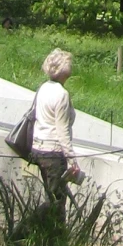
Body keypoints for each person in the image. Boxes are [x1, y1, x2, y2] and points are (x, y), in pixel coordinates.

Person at [30, 48, 83, 220]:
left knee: (53, 198)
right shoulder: (62, 94)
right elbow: (62, 130)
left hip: (38, 149)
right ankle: (20, 233)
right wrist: (71, 158)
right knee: (56, 203)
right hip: (53, 153)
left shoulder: (43, 88)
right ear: (64, 72)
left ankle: (51, 240)